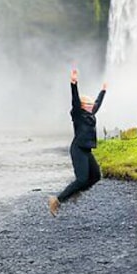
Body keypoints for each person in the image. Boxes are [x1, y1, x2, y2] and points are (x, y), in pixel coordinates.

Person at [48, 69, 107, 216]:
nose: (92, 106)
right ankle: (56, 200)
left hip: (87, 150)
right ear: (82, 105)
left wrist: (103, 91)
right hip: (78, 149)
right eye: (89, 104)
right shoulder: (78, 114)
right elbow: (74, 100)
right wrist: (73, 84)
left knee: (96, 176)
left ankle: (75, 191)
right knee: (81, 179)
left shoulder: (90, 114)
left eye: (91, 104)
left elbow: (98, 104)